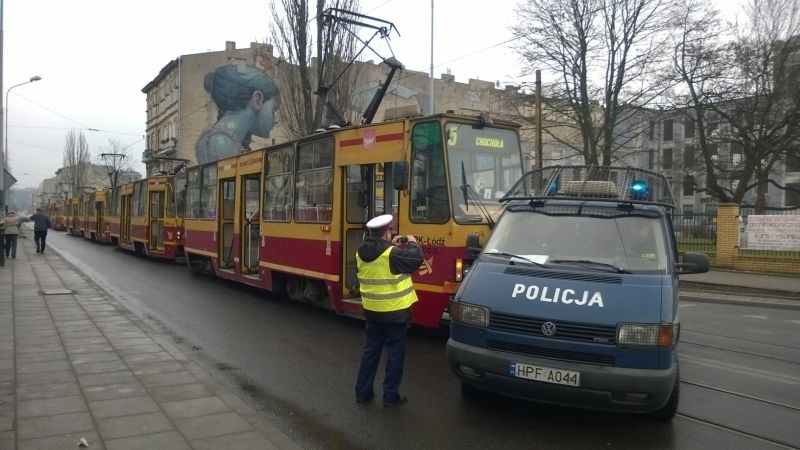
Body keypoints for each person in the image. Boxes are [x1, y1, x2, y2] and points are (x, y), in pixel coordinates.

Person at [354, 214, 424, 407]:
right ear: (386, 232)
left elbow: (381, 258)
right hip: (395, 313)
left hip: (372, 311)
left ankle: (362, 392)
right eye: (391, 231)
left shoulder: (360, 252)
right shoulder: (391, 253)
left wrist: (390, 244)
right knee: (394, 355)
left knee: (371, 352)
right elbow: (416, 259)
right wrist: (412, 243)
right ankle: (390, 396)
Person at [195, 63, 281, 164]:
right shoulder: (222, 142)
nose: (276, 120)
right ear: (257, 99)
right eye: (274, 110)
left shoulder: (220, 137)